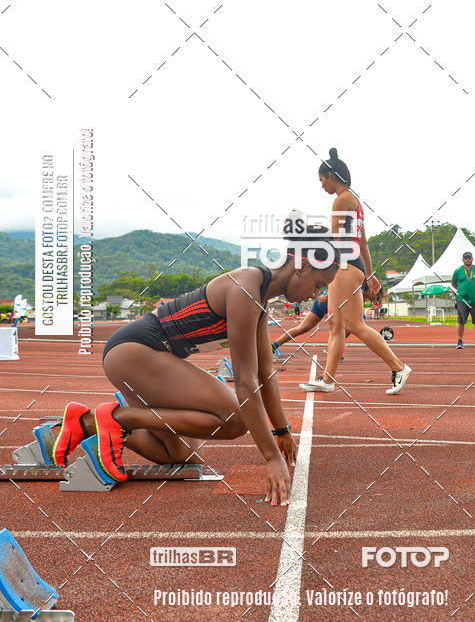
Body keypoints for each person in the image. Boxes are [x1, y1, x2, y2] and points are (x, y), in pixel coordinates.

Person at [52, 227, 339, 506]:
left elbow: (265, 371)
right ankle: (119, 418)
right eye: (318, 284)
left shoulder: (260, 299)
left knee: (180, 454)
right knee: (235, 419)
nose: (315, 295)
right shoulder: (245, 288)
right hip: (134, 352)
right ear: (302, 265)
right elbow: (245, 381)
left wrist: (281, 430)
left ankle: (86, 422)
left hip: (151, 360)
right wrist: (270, 457)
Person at [300, 148, 411, 395]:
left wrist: (312, 265)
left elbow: (332, 239)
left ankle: (398, 367)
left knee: (354, 324)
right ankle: (327, 379)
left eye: (321, 181)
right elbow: (363, 244)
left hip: (346, 266)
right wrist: (370, 276)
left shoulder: (342, 199)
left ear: (330, 175)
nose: (321, 187)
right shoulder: (354, 202)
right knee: (336, 326)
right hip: (352, 265)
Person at [452, 251, 475, 349]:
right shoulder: (458, 271)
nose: (468, 259)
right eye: (466, 258)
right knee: (461, 321)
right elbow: (454, 284)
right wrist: (462, 290)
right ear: (462, 259)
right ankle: (459, 341)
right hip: (462, 300)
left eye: (469, 258)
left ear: (472, 259)